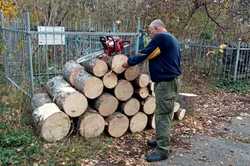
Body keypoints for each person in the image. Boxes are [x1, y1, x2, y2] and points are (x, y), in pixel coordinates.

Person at [123, 19, 182, 162]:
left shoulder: (161, 37)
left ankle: (162, 150)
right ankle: (161, 139)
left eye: (151, 32)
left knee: (162, 115)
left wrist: (128, 62)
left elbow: (145, 53)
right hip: (168, 82)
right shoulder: (171, 38)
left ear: (157, 28)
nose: (151, 35)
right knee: (163, 113)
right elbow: (152, 54)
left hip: (166, 83)